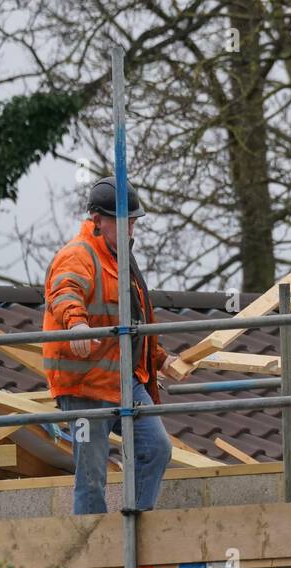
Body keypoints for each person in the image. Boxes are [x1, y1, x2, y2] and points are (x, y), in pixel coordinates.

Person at [43, 176, 175, 515]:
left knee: (156, 448)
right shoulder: (78, 255)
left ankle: (133, 528)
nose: (131, 229)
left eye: (133, 222)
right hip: (86, 385)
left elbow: (133, 320)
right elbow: (64, 290)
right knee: (91, 475)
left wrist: (159, 359)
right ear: (98, 220)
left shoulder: (121, 260)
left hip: (124, 379)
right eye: (124, 221)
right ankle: (91, 556)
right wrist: (77, 326)